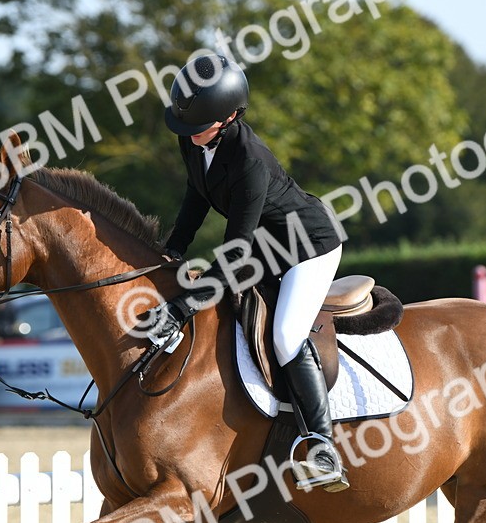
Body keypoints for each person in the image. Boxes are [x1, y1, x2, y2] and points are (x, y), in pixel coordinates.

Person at [149, 53, 348, 492]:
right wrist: (173, 249)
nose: (190, 136)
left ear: (231, 117)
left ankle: (321, 443)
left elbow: (237, 252)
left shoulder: (250, 160)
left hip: (307, 246)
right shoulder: (193, 135)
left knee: (285, 334)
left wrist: (183, 306)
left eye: (199, 127)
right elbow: (195, 195)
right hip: (266, 244)